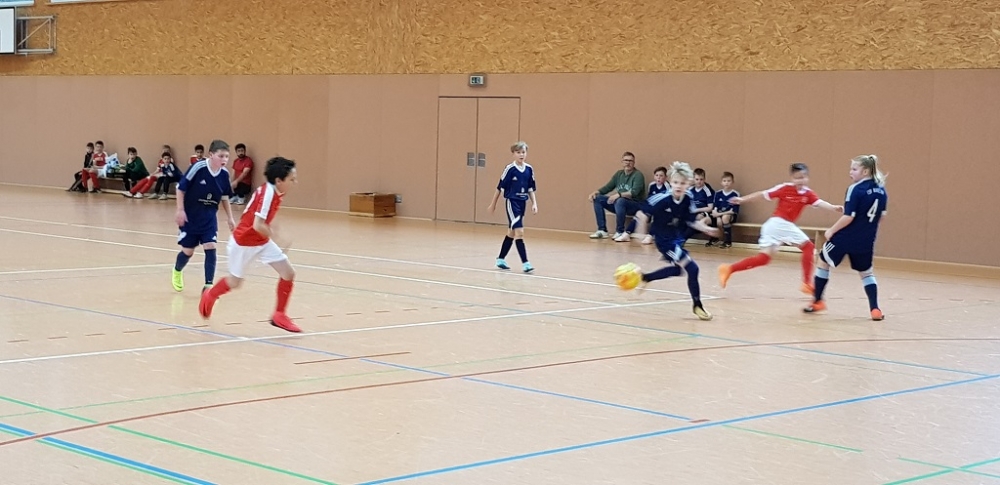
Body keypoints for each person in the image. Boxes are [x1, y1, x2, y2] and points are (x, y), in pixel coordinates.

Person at [199, 157, 301, 333]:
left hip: (261, 241)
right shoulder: (268, 193)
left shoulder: (278, 191)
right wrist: (278, 238)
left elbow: (263, 218)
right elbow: (257, 225)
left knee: (288, 273)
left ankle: (279, 315)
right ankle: (211, 294)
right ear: (279, 180)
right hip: (243, 243)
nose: (295, 182)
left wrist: (273, 229)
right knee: (235, 282)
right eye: (292, 179)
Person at [718, 163, 843, 294]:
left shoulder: (808, 194)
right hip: (778, 223)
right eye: (797, 178)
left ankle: (728, 269)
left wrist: (833, 207)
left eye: (803, 177)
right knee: (808, 247)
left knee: (763, 259)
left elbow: (819, 202)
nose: (800, 181)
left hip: (778, 227)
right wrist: (742, 199)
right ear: (792, 178)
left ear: (807, 178)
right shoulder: (784, 188)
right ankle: (806, 283)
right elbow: (762, 194)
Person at [804, 155, 888, 321]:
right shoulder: (882, 190)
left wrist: (831, 230)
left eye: (854, 169)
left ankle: (818, 301)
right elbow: (881, 217)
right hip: (866, 240)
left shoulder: (855, 189)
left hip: (846, 237)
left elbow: (849, 217)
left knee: (823, 261)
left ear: (865, 171)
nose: (850, 172)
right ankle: (875, 309)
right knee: (866, 273)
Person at [637, 161, 721, 320]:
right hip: (664, 241)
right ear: (670, 182)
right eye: (675, 182)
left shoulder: (688, 198)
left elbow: (692, 221)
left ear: (688, 184)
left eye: (682, 183)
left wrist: (706, 229)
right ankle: (697, 306)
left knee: (678, 270)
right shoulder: (662, 199)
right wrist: (641, 235)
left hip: (676, 239)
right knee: (693, 269)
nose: (678, 186)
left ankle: (645, 277)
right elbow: (642, 214)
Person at [172, 140, 236, 293]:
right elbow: (180, 188)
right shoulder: (198, 168)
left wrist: (230, 217)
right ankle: (177, 270)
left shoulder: (224, 174)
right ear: (211, 154)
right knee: (188, 251)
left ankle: (208, 286)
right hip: (190, 217)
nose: (224, 160)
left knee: (210, 246)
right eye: (221, 156)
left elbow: (225, 197)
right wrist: (180, 210)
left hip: (209, 218)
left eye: (227, 156)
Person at [488, 141, 538, 273]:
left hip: (522, 203)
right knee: (519, 232)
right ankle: (526, 263)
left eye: (523, 152)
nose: (521, 155)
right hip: (512, 202)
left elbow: (531, 188)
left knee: (511, 232)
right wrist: (493, 204)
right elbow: (500, 187)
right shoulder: (510, 169)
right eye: (518, 152)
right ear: (513, 154)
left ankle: (500, 259)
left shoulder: (529, 169)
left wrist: (534, 203)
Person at [588, 152, 646, 241]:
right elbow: (608, 187)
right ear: (622, 162)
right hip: (619, 204)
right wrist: (596, 192)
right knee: (598, 198)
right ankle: (602, 230)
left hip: (635, 204)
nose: (628, 163)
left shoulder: (638, 175)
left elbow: (634, 192)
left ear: (634, 163)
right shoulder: (619, 174)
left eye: (630, 161)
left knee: (620, 200)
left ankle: (620, 231)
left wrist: (619, 195)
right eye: (626, 160)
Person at [706, 171, 740, 248]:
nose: (726, 183)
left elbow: (732, 211)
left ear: (732, 182)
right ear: (721, 182)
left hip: (729, 215)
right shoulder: (718, 193)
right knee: (711, 219)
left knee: (725, 218)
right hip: (719, 214)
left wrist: (719, 215)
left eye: (729, 181)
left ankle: (728, 241)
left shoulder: (735, 194)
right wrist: (717, 216)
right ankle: (714, 239)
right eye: (724, 181)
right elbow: (715, 208)